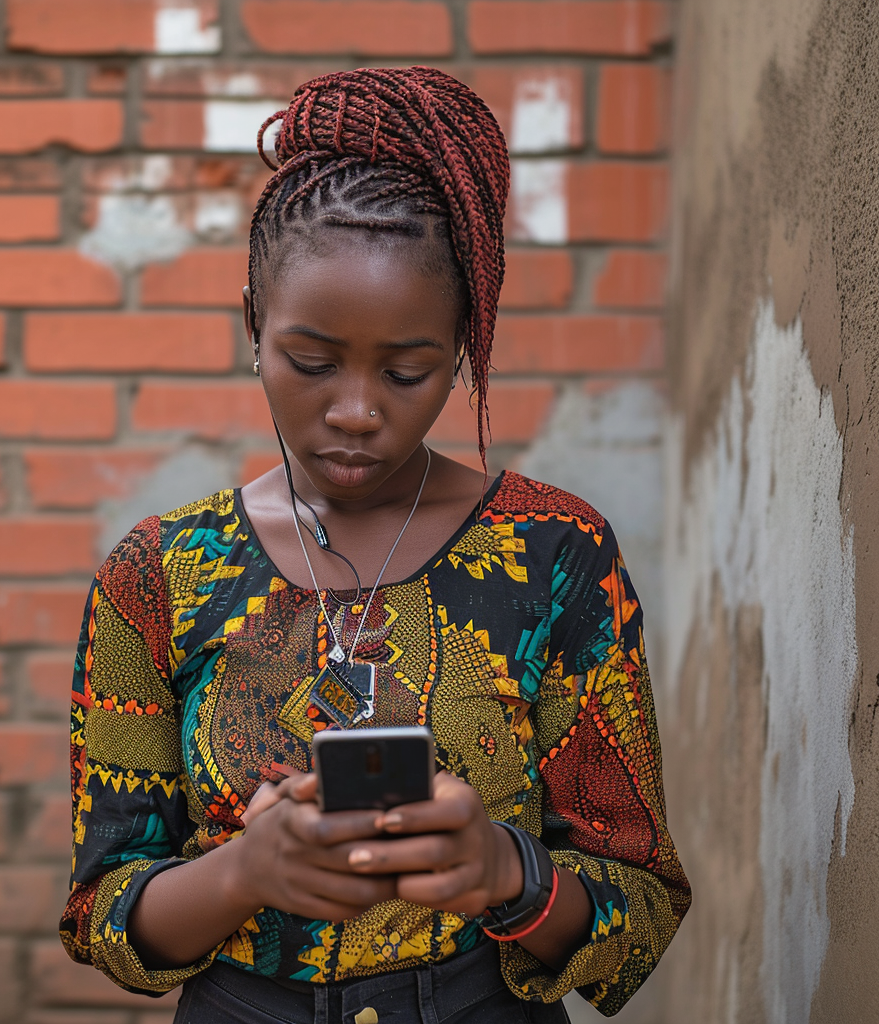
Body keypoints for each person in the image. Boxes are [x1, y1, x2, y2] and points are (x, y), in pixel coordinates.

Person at [59, 67, 690, 1023]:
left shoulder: (559, 557)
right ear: (252, 330)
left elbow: (641, 909)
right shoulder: (156, 578)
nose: (355, 411)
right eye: (311, 362)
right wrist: (244, 873)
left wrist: (504, 874)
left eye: (407, 370)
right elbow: (102, 912)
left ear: (464, 351)